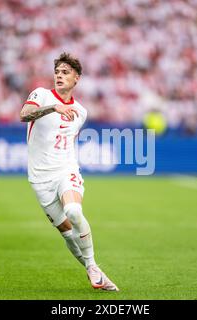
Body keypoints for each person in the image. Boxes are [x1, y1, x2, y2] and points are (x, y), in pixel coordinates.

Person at [20, 52, 119, 291]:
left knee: (74, 210)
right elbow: (24, 115)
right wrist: (53, 108)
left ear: (77, 78)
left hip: (66, 170)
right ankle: (92, 270)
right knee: (67, 233)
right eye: (57, 72)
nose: (59, 76)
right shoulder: (41, 95)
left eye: (65, 72)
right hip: (40, 178)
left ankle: (93, 266)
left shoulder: (81, 112)